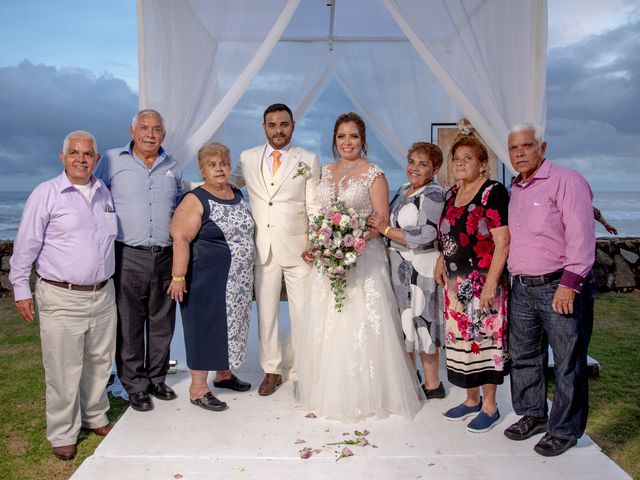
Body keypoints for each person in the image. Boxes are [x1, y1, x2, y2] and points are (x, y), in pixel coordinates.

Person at [295, 112, 423, 422]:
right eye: (341, 136)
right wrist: (322, 245)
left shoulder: (374, 174)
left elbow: (379, 221)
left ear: (363, 141)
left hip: (364, 258)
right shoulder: (324, 172)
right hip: (329, 260)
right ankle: (325, 390)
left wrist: (349, 245)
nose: (347, 142)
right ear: (334, 140)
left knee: (360, 321)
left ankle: (368, 393)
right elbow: (320, 214)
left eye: (353, 136)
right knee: (328, 321)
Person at [9, 131, 117, 460]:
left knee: (99, 362)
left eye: (87, 154)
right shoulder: (46, 194)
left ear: (96, 160)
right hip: (61, 295)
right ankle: (62, 432)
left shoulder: (104, 193)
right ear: (62, 157)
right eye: (74, 153)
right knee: (62, 368)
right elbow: (26, 244)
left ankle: (95, 415)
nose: (81, 159)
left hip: (102, 293)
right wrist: (20, 287)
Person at [504, 122, 595, 457]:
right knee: (525, 356)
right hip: (522, 287)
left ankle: (565, 429)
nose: (519, 153)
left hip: (558, 284)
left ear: (542, 148)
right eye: (514, 148)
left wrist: (569, 285)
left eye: (526, 146)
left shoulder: (566, 181)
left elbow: (582, 236)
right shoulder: (517, 189)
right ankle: (533, 414)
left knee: (569, 360)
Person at [95, 109, 185, 412]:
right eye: (144, 128)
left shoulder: (172, 165)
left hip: (165, 255)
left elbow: (181, 203)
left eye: (156, 129)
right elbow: (95, 198)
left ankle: (157, 379)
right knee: (130, 324)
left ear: (163, 134)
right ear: (133, 131)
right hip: (127, 254)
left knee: (162, 322)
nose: (150, 134)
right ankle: (135, 386)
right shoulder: (111, 159)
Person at [230, 103, 320, 396]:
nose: (278, 130)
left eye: (284, 124)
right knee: (266, 314)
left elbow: (315, 206)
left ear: (293, 126)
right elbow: (226, 184)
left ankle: (303, 370)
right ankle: (272, 370)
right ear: (264, 127)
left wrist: (314, 243)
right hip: (262, 247)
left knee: (303, 313)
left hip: (299, 247)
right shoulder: (248, 157)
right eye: (272, 125)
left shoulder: (308, 158)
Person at [168, 143, 255, 411]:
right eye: (211, 165)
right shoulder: (196, 199)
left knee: (231, 326)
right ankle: (198, 388)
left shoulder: (237, 193)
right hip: (207, 280)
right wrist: (178, 277)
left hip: (237, 283)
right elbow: (180, 238)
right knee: (205, 328)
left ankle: (224, 374)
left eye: (223, 163)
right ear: (202, 170)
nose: (219, 168)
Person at [434, 135, 510, 433]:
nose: (461, 162)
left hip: (482, 285)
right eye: (457, 158)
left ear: (483, 165)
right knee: (463, 345)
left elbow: (502, 241)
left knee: (485, 344)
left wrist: (491, 283)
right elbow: (446, 234)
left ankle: (490, 407)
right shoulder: (453, 193)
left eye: (469, 158)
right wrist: (441, 258)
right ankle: (470, 400)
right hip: (454, 286)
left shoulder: (493, 192)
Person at [369, 142, 446, 400]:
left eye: (422, 164)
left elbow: (427, 233)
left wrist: (387, 231)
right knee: (405, 323)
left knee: (423, 321)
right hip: (400, 266)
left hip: (420, 266)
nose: (414, 168)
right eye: (412, 161)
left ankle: (433, 385)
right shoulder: (403, 189)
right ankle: (411, 380)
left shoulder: (434, 193)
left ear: (435, 168)